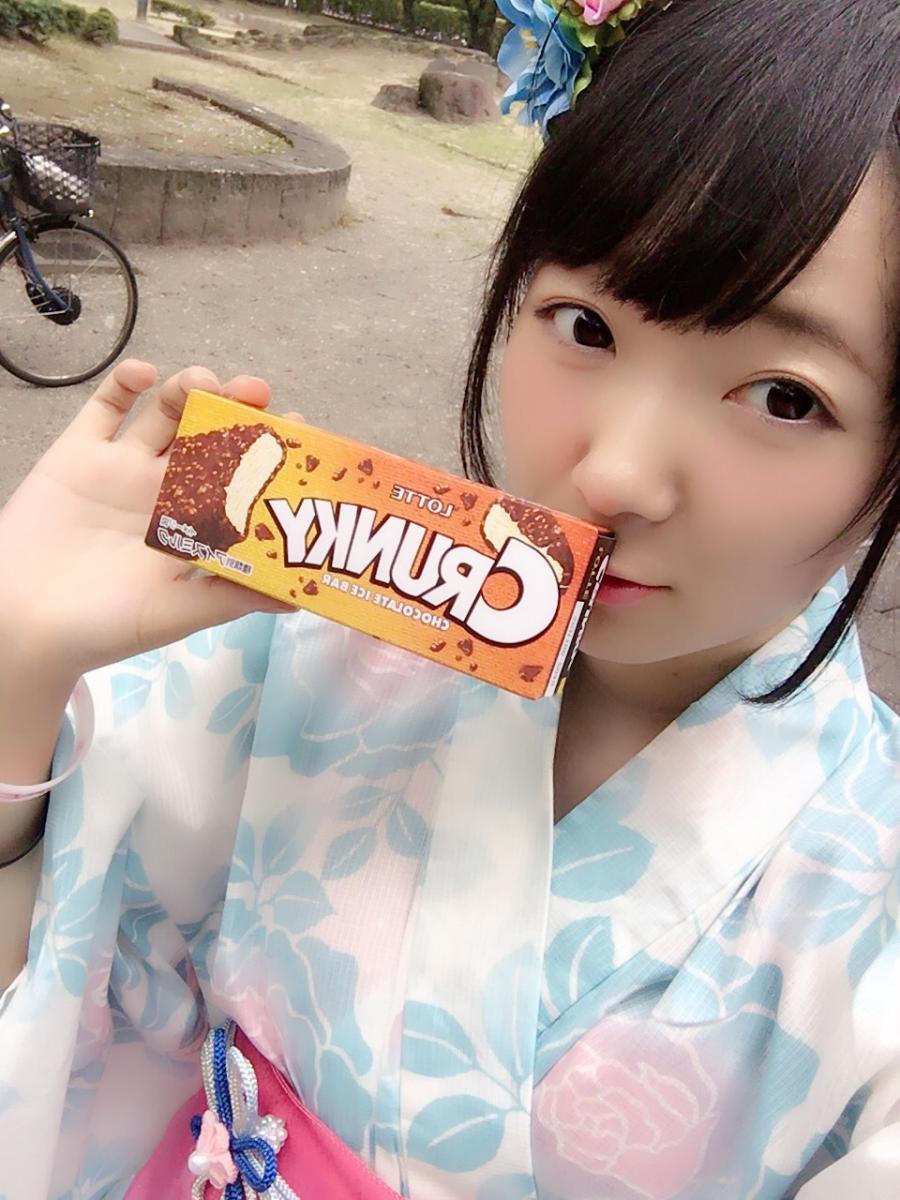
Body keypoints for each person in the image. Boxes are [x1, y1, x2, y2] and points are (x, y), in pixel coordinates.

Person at [0, 0, 898, 1196]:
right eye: (583, 324)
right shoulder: (290, 650)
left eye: (786, 396)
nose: (618, 472)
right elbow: (66, 1006)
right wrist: (15, 673)